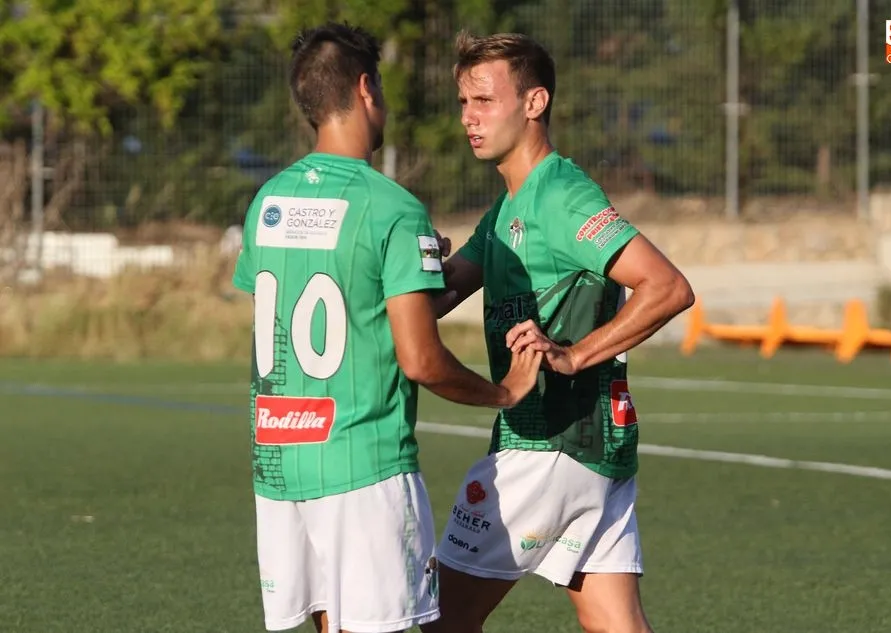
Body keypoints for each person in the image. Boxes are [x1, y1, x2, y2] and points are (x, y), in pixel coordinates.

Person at [231, 23, 542, 633]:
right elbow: (421, 360)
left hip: (279, 465)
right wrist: (504, 392)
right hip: (363, 468)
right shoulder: (391, 207)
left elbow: (339, 296)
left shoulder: (268, 201)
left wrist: (414, 273)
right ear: (366, 88)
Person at [423, 31, 695, 633]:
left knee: (442, 619)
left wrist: (574, 355)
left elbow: (668, 287)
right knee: (615, 624)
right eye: (463, 102)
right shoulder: (507, 209)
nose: (468, 117)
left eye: (484, 100)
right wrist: (409, 265)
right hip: (597, 446)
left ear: (535, 102)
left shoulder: (562, 196)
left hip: (546, 444)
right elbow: (441, 294)